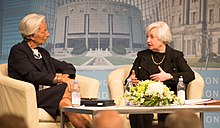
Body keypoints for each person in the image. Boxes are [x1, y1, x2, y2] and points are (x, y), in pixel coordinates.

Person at [8, 13, 91, 128]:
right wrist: (59, 79)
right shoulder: (18, 51)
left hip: (51, 95)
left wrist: (65, 77)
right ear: (32, 35)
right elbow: (32, 75)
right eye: (44, 31)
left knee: (66, 103)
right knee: (65, 87)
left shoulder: (43, 53)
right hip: (31, 96)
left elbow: (67, 66)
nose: (48, 34)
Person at [126, 21, 195, 128]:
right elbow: (129, 79)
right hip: (145, 100)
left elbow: (190, 75)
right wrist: (131, 80)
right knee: (138, 112)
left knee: (168, 111)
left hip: (168, 99)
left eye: (152, 37)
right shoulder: (142, 56)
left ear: (162, 38)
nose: (148, 40)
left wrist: (169, 76)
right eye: (147, 37)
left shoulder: (175, 56)